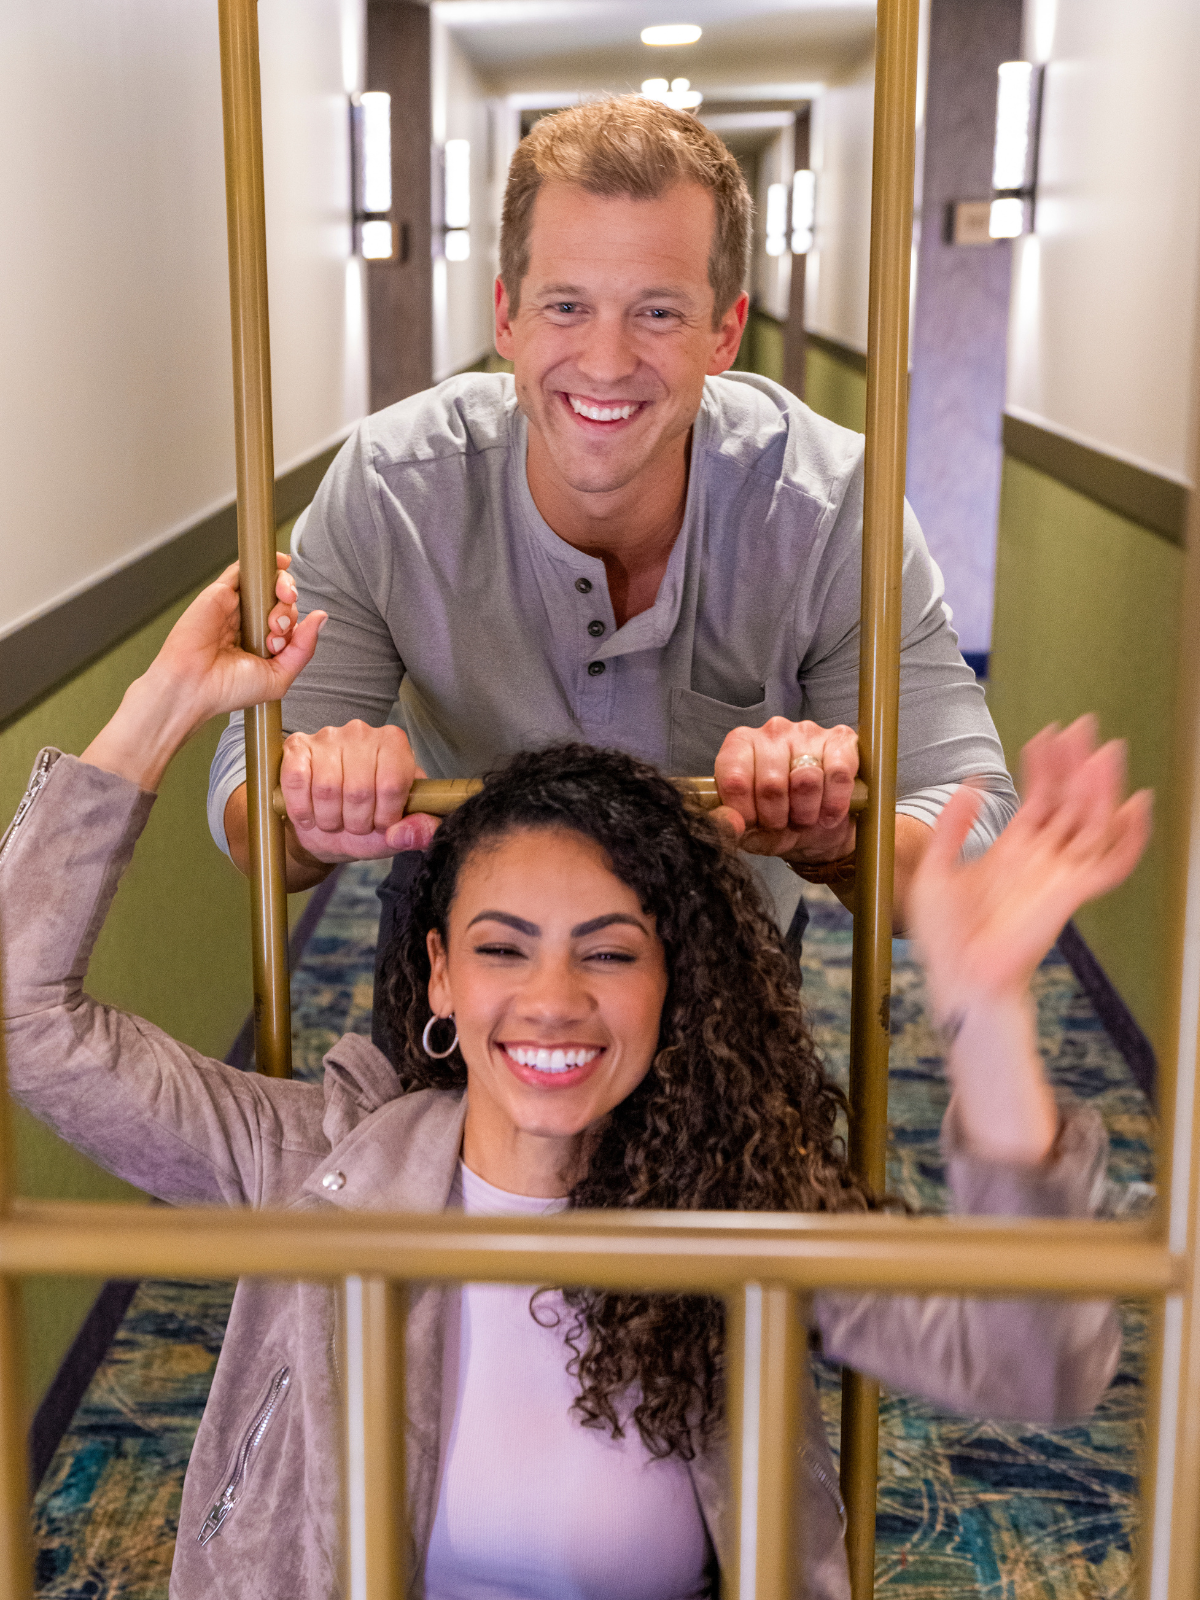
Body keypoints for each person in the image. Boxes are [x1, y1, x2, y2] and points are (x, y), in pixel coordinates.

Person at [2, 562, 1148, 1600]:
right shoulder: (317, 1162)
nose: (552, 999)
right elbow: (28, 1018)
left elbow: (1038, 1366)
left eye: (608, 953)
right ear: (440, 974)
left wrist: (988, 1012)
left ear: (671, 981)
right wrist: (164, 701)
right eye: (503, 949)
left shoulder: (735, 1198)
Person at [207, 95, 1018, 992]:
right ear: (505, 318)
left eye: (658, 313)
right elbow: (250, 813)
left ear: (725, 333)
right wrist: (319, 804)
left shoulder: (829, 508)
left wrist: (838, 840)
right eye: (566, 305)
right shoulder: (391, 488)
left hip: (723, 952)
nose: (604, 361)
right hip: (468, 956)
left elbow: (972, 825)